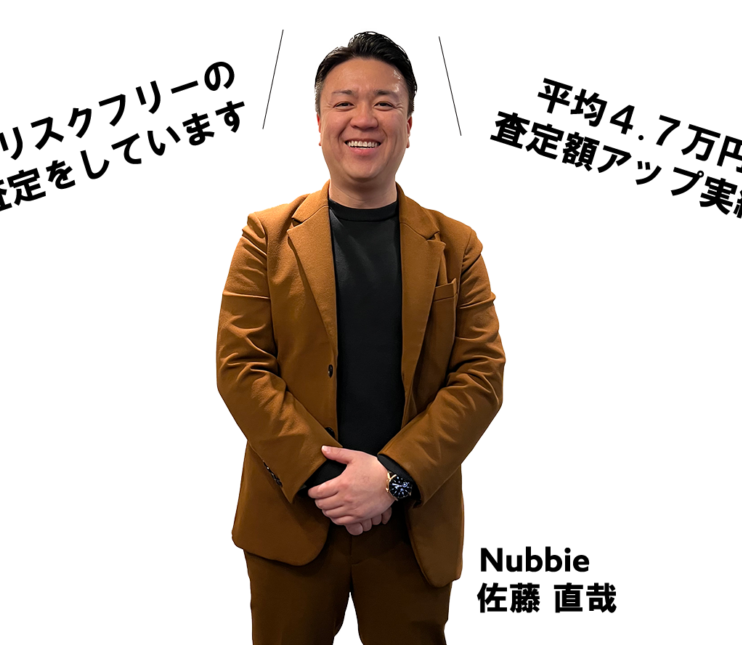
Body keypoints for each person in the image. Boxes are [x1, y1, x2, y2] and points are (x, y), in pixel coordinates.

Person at [215, 27, 505, 645]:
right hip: (293, 518)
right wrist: (326, 481)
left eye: (384, 102)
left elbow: (481, 377)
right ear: (320, 122)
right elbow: (241, 367)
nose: (363, 119)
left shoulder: (458, 246)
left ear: (409, 123)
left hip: (412, 527)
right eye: (344, 102)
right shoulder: (264, 236)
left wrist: (392, 477)